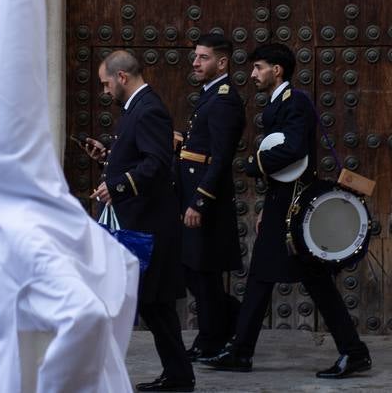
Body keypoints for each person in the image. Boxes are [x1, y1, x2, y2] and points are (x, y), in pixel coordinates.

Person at [206, 43, 372, 379]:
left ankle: (353, 353)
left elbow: (294, 150)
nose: (253, 75)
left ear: (276, 70)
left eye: (258, 68)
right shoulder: (279, 102)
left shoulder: (294, 102)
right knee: (263, 276)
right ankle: (241, 351)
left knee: (310, 279)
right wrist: (269, 203)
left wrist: (256, 165)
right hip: (282, 202)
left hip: (295, 205)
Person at [87, 50, 195, 393]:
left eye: (106, 84)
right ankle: (177, 374)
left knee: (155, 302)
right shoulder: (136, 108)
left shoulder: (148, 109)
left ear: (121, 77)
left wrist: (117, 185)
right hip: (142, 219)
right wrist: (108, 158)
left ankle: (179, 376)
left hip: (150, 223)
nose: (105, 92)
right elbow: (139, 156)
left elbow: (157, 164)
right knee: (154, 303)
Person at [179, 33, 245, 360]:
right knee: (195, 269)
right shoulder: (209, 96)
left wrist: (200, 200)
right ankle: (228, 322)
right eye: (195, 56)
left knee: (203, 271)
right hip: (194, 192)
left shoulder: (224, 99)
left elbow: (220, 157)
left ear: (222, 62)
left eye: (203, 57)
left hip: (207, 200)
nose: (195, 62)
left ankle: (211, 337)